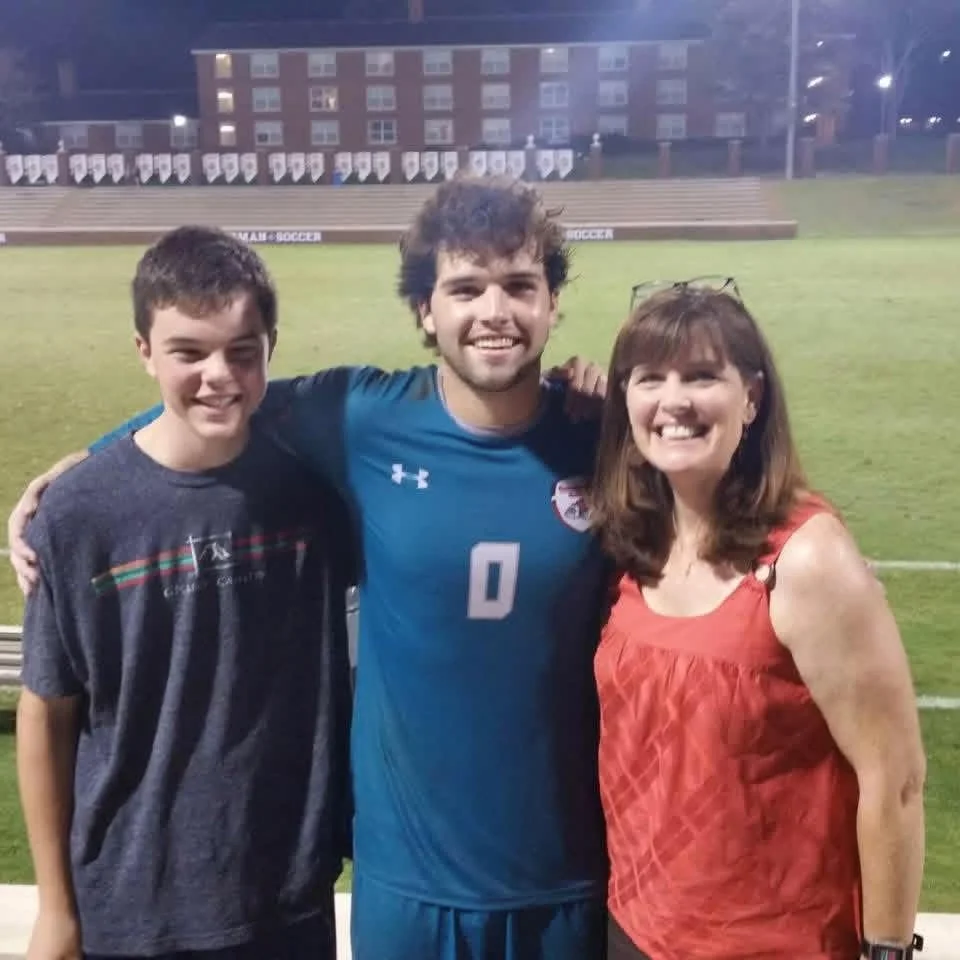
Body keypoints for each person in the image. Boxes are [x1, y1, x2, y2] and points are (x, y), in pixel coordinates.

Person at [8, 179, 610, 960]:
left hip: (563, 873)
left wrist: (608, 397)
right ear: (426, 311)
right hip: (405, 882)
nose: (494, 311)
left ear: (553, 303)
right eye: (465, 288)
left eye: (520, 286)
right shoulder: (360, 416)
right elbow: (214, 399)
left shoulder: (604, 438)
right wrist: (82, 468)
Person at [16, 226, 353, 960]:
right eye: (188, 352)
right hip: (134, 903)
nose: (219, 375)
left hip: (288, 892)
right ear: (143, 351)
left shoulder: (316, 488)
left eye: (242, 350)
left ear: (271, 345)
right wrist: (55, 908)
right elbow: (47, 713)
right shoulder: (78, 515)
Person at [590, 278, 927, 960]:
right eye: (649, 378)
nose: (674, 399)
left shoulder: (806, 559)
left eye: (703, 376)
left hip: (774, 943)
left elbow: (895, 780)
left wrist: (887, 951)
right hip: (633, 928)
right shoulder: (633, 542)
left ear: (751, 397)